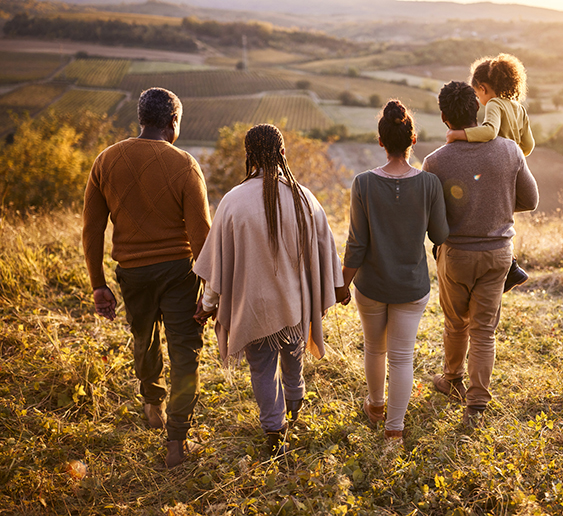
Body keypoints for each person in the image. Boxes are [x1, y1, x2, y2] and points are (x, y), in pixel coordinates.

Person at [192, 124, 347, 456]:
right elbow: (327, 251)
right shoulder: (305, 198)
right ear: (282, 154)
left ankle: (275, 432)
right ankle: (294, 408)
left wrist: (207, 305)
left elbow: (217, 268)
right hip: (295, 307)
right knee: (293, 359)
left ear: (249, 156)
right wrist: (336, 288)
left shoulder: (232, 203)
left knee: (261, 368)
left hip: (254, 309)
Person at [82, 87, 211, 468]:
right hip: (179, 272)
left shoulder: (106, 160)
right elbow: (201, 233)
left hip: (131, 272)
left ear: (141, 120)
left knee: (144, 337)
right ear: (174, 122)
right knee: (185, 351)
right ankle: (177, 442)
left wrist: (98, 285)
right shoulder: (185, 164)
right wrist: (211, 291)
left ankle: (152, 403)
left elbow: (91, 230)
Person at [423, 81, 538, 428]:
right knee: (484, 330)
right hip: (498, 254)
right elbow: (530, 201)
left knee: (456, 323)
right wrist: (499, 206)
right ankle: (476, 405)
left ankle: (452, 379)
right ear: (477, 110)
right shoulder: (509, 150)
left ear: (444, 117)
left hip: (455, 255)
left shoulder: (435, 161)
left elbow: (431, 217)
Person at [341, 100, 449, 443]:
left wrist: (342, 285)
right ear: (413, 140)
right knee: (402, 358)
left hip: (370, 285)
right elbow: (441, 235)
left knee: (374, 348)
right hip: (411, 286)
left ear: (380, 141)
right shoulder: (430, 183)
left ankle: (375, 407)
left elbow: (356, 243)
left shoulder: (363, 183)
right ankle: (394, 431)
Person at [446, 53, 535, 289]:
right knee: (504, 218)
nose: (478, 100)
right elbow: (529, 145)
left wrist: (459, 134)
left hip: (496, 165)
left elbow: (489, 132)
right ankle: (510, 267)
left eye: (477, 93)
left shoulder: (495, 104)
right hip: (510, 169)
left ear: (483, 88)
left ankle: (511, 269)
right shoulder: (519, 108)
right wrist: (514, 154)